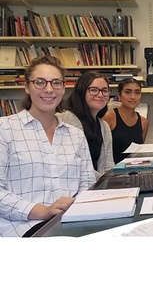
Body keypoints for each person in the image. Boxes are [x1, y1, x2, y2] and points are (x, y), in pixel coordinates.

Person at [0, 55, 95, 237]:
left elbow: (87, 183)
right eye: (40, 82)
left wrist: (79, 208)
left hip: (71, 224)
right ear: (27, 86)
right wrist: (42, 211)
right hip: (21, 229)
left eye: (56, 83)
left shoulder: (75, 135)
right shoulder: (5, 129)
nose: (49, 89)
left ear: (63, 87)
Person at [57, 71, 114, 179]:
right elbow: (76, 166)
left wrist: (114, 182)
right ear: (81, 92)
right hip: (73, 188)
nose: (100, 94)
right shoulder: (66, 119)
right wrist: (104, 182)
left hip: (96, 187)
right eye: (93, 90)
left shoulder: (104, 126)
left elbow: (108, 165)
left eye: (104, 90)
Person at [103, 78, 149, 163]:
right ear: (119, 96)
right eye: (128, 92)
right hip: (111, 170)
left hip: (134, 169)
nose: (133, 97)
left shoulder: (144, 122)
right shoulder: (109, 117)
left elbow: (137, 153)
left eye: (137, 92)